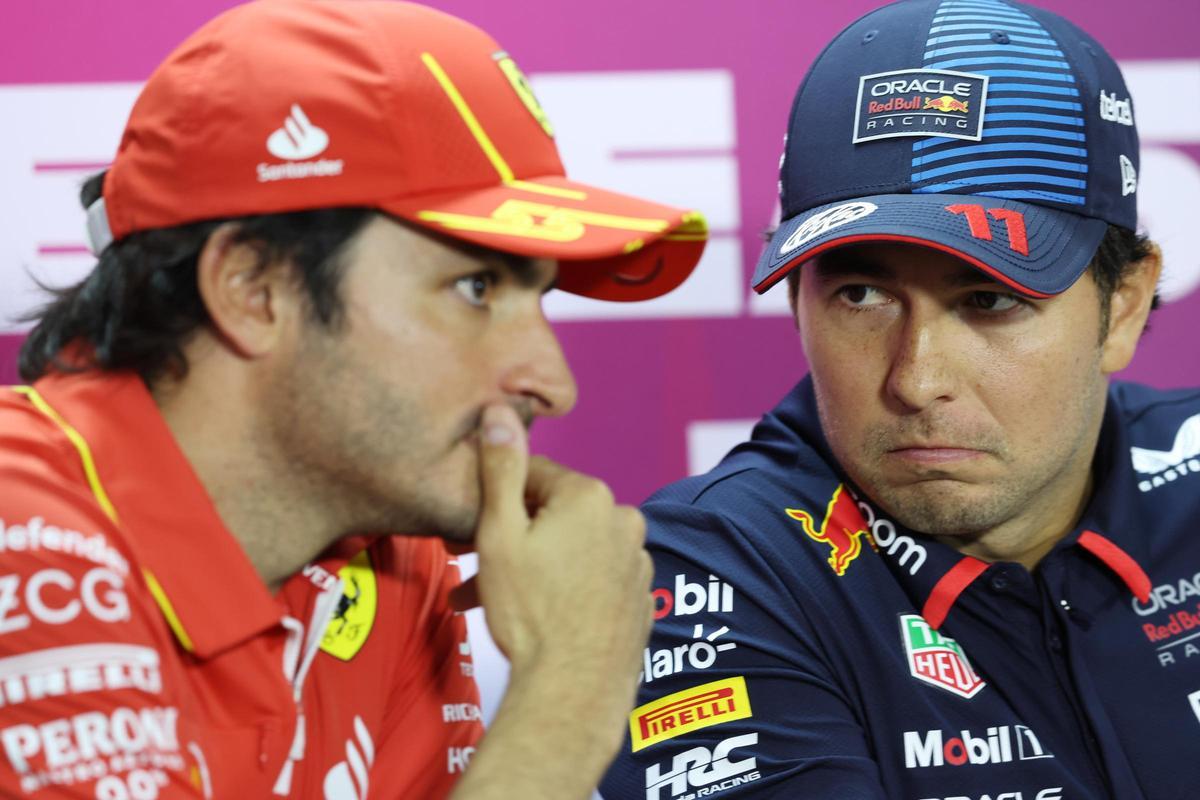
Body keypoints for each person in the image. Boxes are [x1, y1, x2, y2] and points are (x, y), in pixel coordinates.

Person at [0, 1, 709, 798]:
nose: (555, 384)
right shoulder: (24, 542)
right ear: (253, 289)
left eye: (536, 298)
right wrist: (574, 681)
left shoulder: (387, 561)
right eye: (476, 287)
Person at [600, 0, 1200, 798]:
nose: (915, 381)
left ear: (1123, 305)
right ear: (796, 306)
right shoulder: (711, 573)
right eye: (860, 296)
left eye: (989, 300)